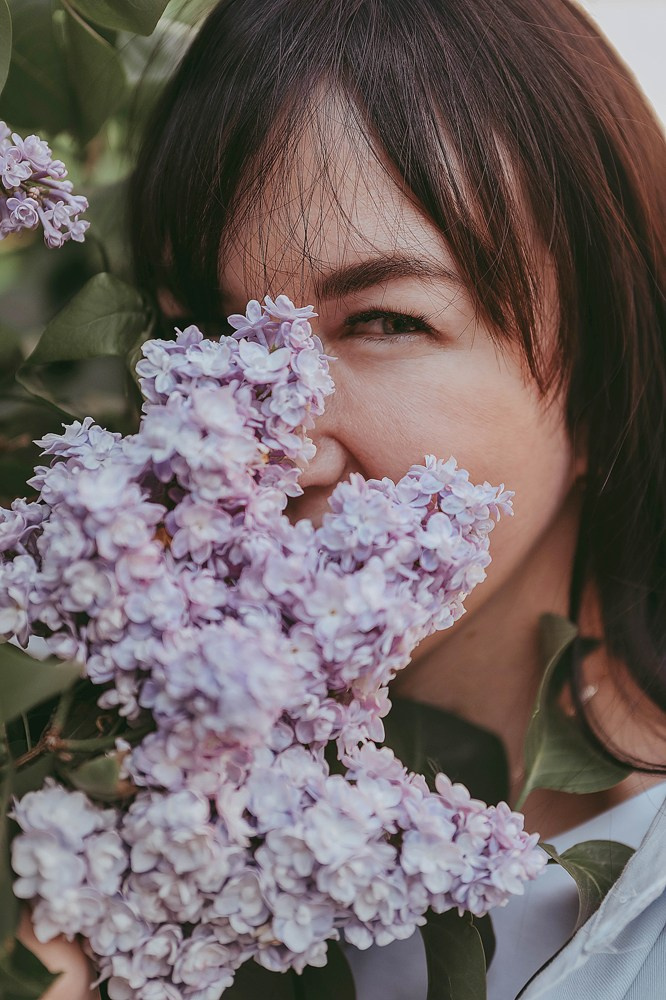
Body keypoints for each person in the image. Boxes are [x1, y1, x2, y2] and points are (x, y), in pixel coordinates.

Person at [20, 0, 666, 996]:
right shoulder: (94, 839)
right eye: (207, 335)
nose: (266, 440)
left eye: (384, 320)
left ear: (611, 368)